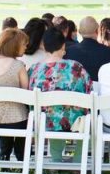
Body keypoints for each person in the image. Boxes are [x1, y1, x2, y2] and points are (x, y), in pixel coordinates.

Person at [27, 27, 93, 162]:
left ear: (43, 46)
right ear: (63, 46)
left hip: (45, 121)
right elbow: (89, 91)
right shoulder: (76, 67)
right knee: (86, 118)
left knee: (53, 114)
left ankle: (56, 160)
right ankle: (78, 161)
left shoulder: (34, 69)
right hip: (75, 122)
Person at [0, 28, 30, 161]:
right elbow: (25, 93)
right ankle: (20, 156)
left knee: (3, 111)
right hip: (17, 120)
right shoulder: (19, 65)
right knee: (22, 112)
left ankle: (5, 153)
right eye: (24, 44)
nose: (26, 47)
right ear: (15, 45)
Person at [63, 16, 110, 81]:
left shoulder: (68, 52)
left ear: (80, 32)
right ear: (97, 31)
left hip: (77, 90)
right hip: (101, 90)